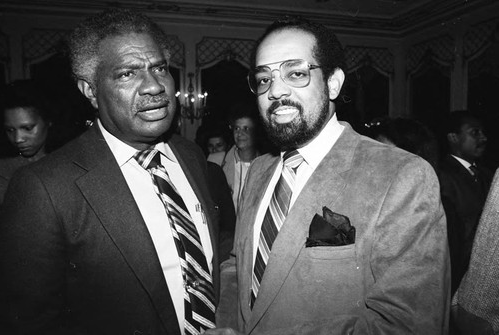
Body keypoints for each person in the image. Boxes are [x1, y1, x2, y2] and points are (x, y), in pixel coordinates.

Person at [208, 16, 450, 335]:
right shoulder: (260, 170)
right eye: (264, 79)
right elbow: (236, 268)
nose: (275, 90)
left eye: (296, 73)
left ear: (333, 83)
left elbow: (409, 324)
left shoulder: (402, 176)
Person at [0, 9, 221, 335]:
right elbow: (29, 323)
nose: (153, 86)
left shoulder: (190, 156)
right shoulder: (44, 188)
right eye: (127, 74)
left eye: (159, 68)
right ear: (89, 90)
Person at [438, 110, 492, 295]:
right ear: (454, 137)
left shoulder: (487, 175)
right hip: (458, 277)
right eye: (475, 133)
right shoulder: (442, 175)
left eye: (483, 132)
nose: (483, 138)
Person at [451, 168, 499, 335]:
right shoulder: (446, 176)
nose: (483, 139)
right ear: (453, 139)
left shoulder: (483, 174)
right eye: (474, 137)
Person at [0, 80, 53, 208]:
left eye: (28, 128)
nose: (18, 139)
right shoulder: (2, 170)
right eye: (10, 130)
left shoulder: (68, 164)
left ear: (48, 121)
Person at [208, 104, 261, 211]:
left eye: (246, 129)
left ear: (255, 132)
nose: (240, 133)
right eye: (237, 128)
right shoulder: (217, 161)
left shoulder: (267, 165)